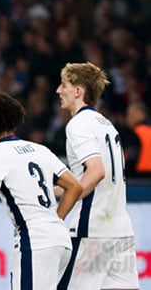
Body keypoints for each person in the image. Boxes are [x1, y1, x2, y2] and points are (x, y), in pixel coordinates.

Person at [0, 92, 83, 290]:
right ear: (15, 119)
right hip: (62, 241)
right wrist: (56, 219)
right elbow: (75, 186)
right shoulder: (39, 149)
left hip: (35, 242)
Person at [56, 62, 140, 290]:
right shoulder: (107, 125)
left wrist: (57, 217)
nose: (58, 91)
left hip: (93, 232)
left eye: (64, 85)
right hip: (121, 232)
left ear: (78, 91)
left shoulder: (78, 125)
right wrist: (52, 189)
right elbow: (96, 175)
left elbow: (96, 172)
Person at [126, 101, 151, 175]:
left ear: (140, 114)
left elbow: (130, 160)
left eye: (131, 115)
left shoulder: (136, 133)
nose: (128, 118)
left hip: (139, 179)